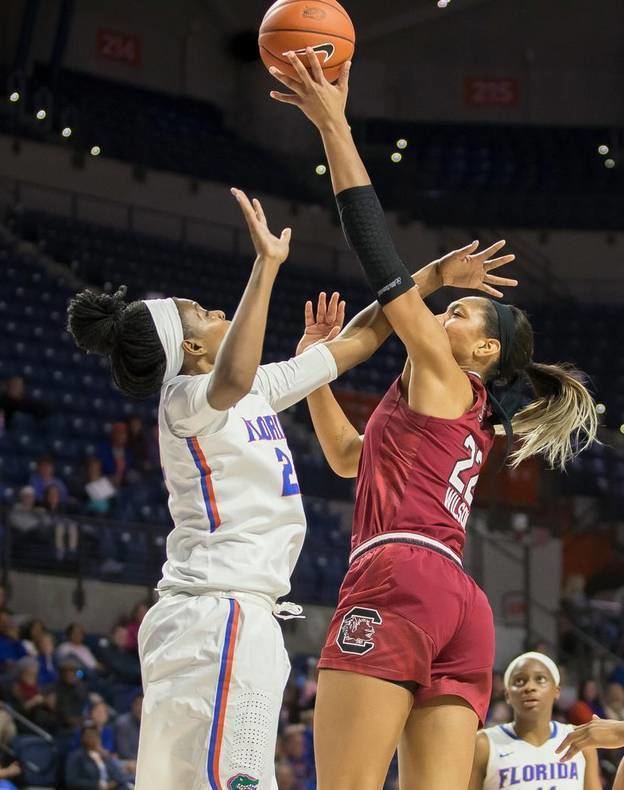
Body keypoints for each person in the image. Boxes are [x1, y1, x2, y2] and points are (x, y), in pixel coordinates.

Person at [66, 188, 500, 789]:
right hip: (216, 612)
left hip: (235, 615)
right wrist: (265, 267)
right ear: (191, 347)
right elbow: (234, 373)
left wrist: (430, 277)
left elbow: (359, 341)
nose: (219, 314)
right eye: (206, 315)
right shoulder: (187, 401)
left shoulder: (255, 392)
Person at [269, 49, 599, 789]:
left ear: (483, 348)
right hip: (457, 601)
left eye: (458, 313)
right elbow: (351, 458)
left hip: (398, 577)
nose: (440, 314)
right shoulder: (459, 407)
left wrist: (333, 125)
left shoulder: (446, 371)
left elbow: (379, 261)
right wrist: (316, 368)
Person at [468, 652, 600, 789]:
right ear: (507, 695)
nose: (530, 687)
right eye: (519, 681)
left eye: (540, 679)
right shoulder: (484, 744)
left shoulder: (580, 739)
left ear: (556, 691)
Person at [65, 723, 130, 790]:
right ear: (82, 738)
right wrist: (96, 785)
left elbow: (119, 776)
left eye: (95, 735)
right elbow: (71, 781)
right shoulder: (76, 756)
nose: (92, 738)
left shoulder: (104, 755)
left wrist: (113, 783)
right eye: (89, 735)